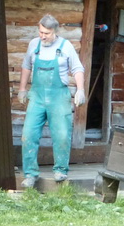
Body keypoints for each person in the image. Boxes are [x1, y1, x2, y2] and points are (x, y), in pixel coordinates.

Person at [17, 14, 86, 189]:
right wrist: (22, 89)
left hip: (59, 97)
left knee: (61, 135)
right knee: (28, 135)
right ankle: (30, 174)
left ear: (55, 31)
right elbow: (26, 66)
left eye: (46, 33)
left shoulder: (65, 46)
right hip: (37, 97)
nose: (43, 36)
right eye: (40, 32)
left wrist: (80, 89)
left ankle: (60, 170)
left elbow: (77, 68)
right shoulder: (34, 45)